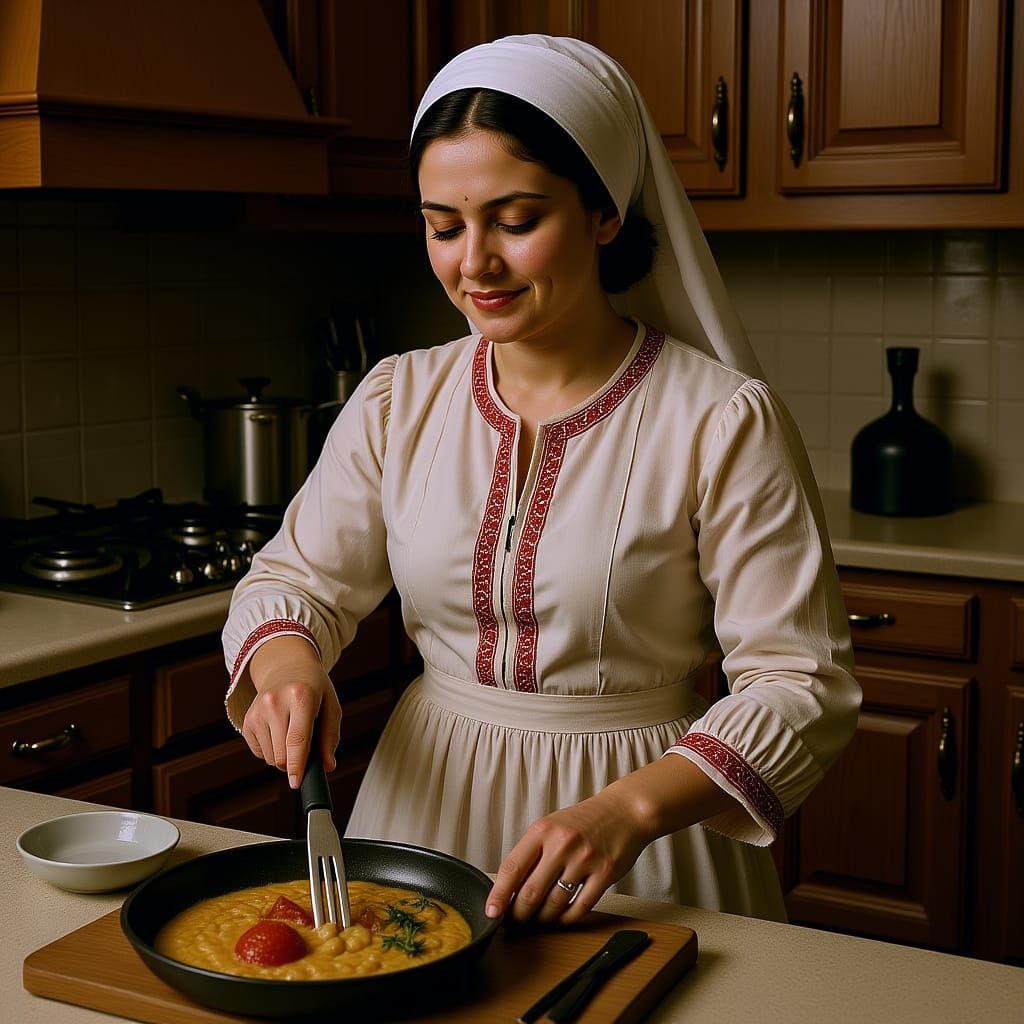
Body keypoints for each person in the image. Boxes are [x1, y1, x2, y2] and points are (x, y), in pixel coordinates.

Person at [222, 34, 860, 926]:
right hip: (421, 814)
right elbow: (296, 581)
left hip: (645, 844)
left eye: (515, 222)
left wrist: (626, 812)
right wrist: (288, 668)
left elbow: (801, 683)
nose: (473, 263)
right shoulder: (397, 398)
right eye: (443, 226)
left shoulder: (721, 419)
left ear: (604, 213)